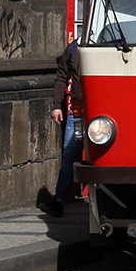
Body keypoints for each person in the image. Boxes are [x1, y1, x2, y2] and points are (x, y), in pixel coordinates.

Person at [44, 39, 82, 217]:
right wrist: (57, 105)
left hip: (101, 110)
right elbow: (61, 78)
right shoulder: (73, 48)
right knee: (69, 154)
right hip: (78, 110)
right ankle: (59, 200)